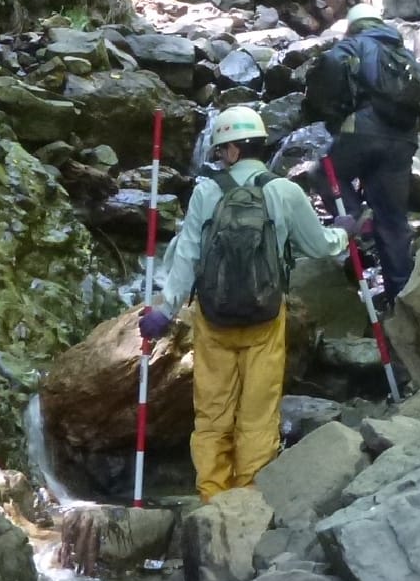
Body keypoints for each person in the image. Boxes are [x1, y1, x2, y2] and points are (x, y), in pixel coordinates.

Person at [142, 106, 356, 500]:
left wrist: (163, 312)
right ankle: (248, 499)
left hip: (213, 319)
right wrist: (344, 234)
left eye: (222, 151)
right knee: (258, 414)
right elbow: (319, 247)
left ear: (234, 150)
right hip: (264, 318)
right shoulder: (285, 191)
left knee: (212, 413)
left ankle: (212, 496)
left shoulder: (206, 191)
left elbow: (187, 258)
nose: (221, 157)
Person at [304, 3, 420, 309]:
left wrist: (328, 111)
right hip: (403, 140)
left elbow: (329, 65)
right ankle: (400, 301)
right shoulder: (404, 55)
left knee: (323, 171)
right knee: (394, 221)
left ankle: (357, 218)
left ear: (353, 25)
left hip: (363, 131)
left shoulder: (355, 43)